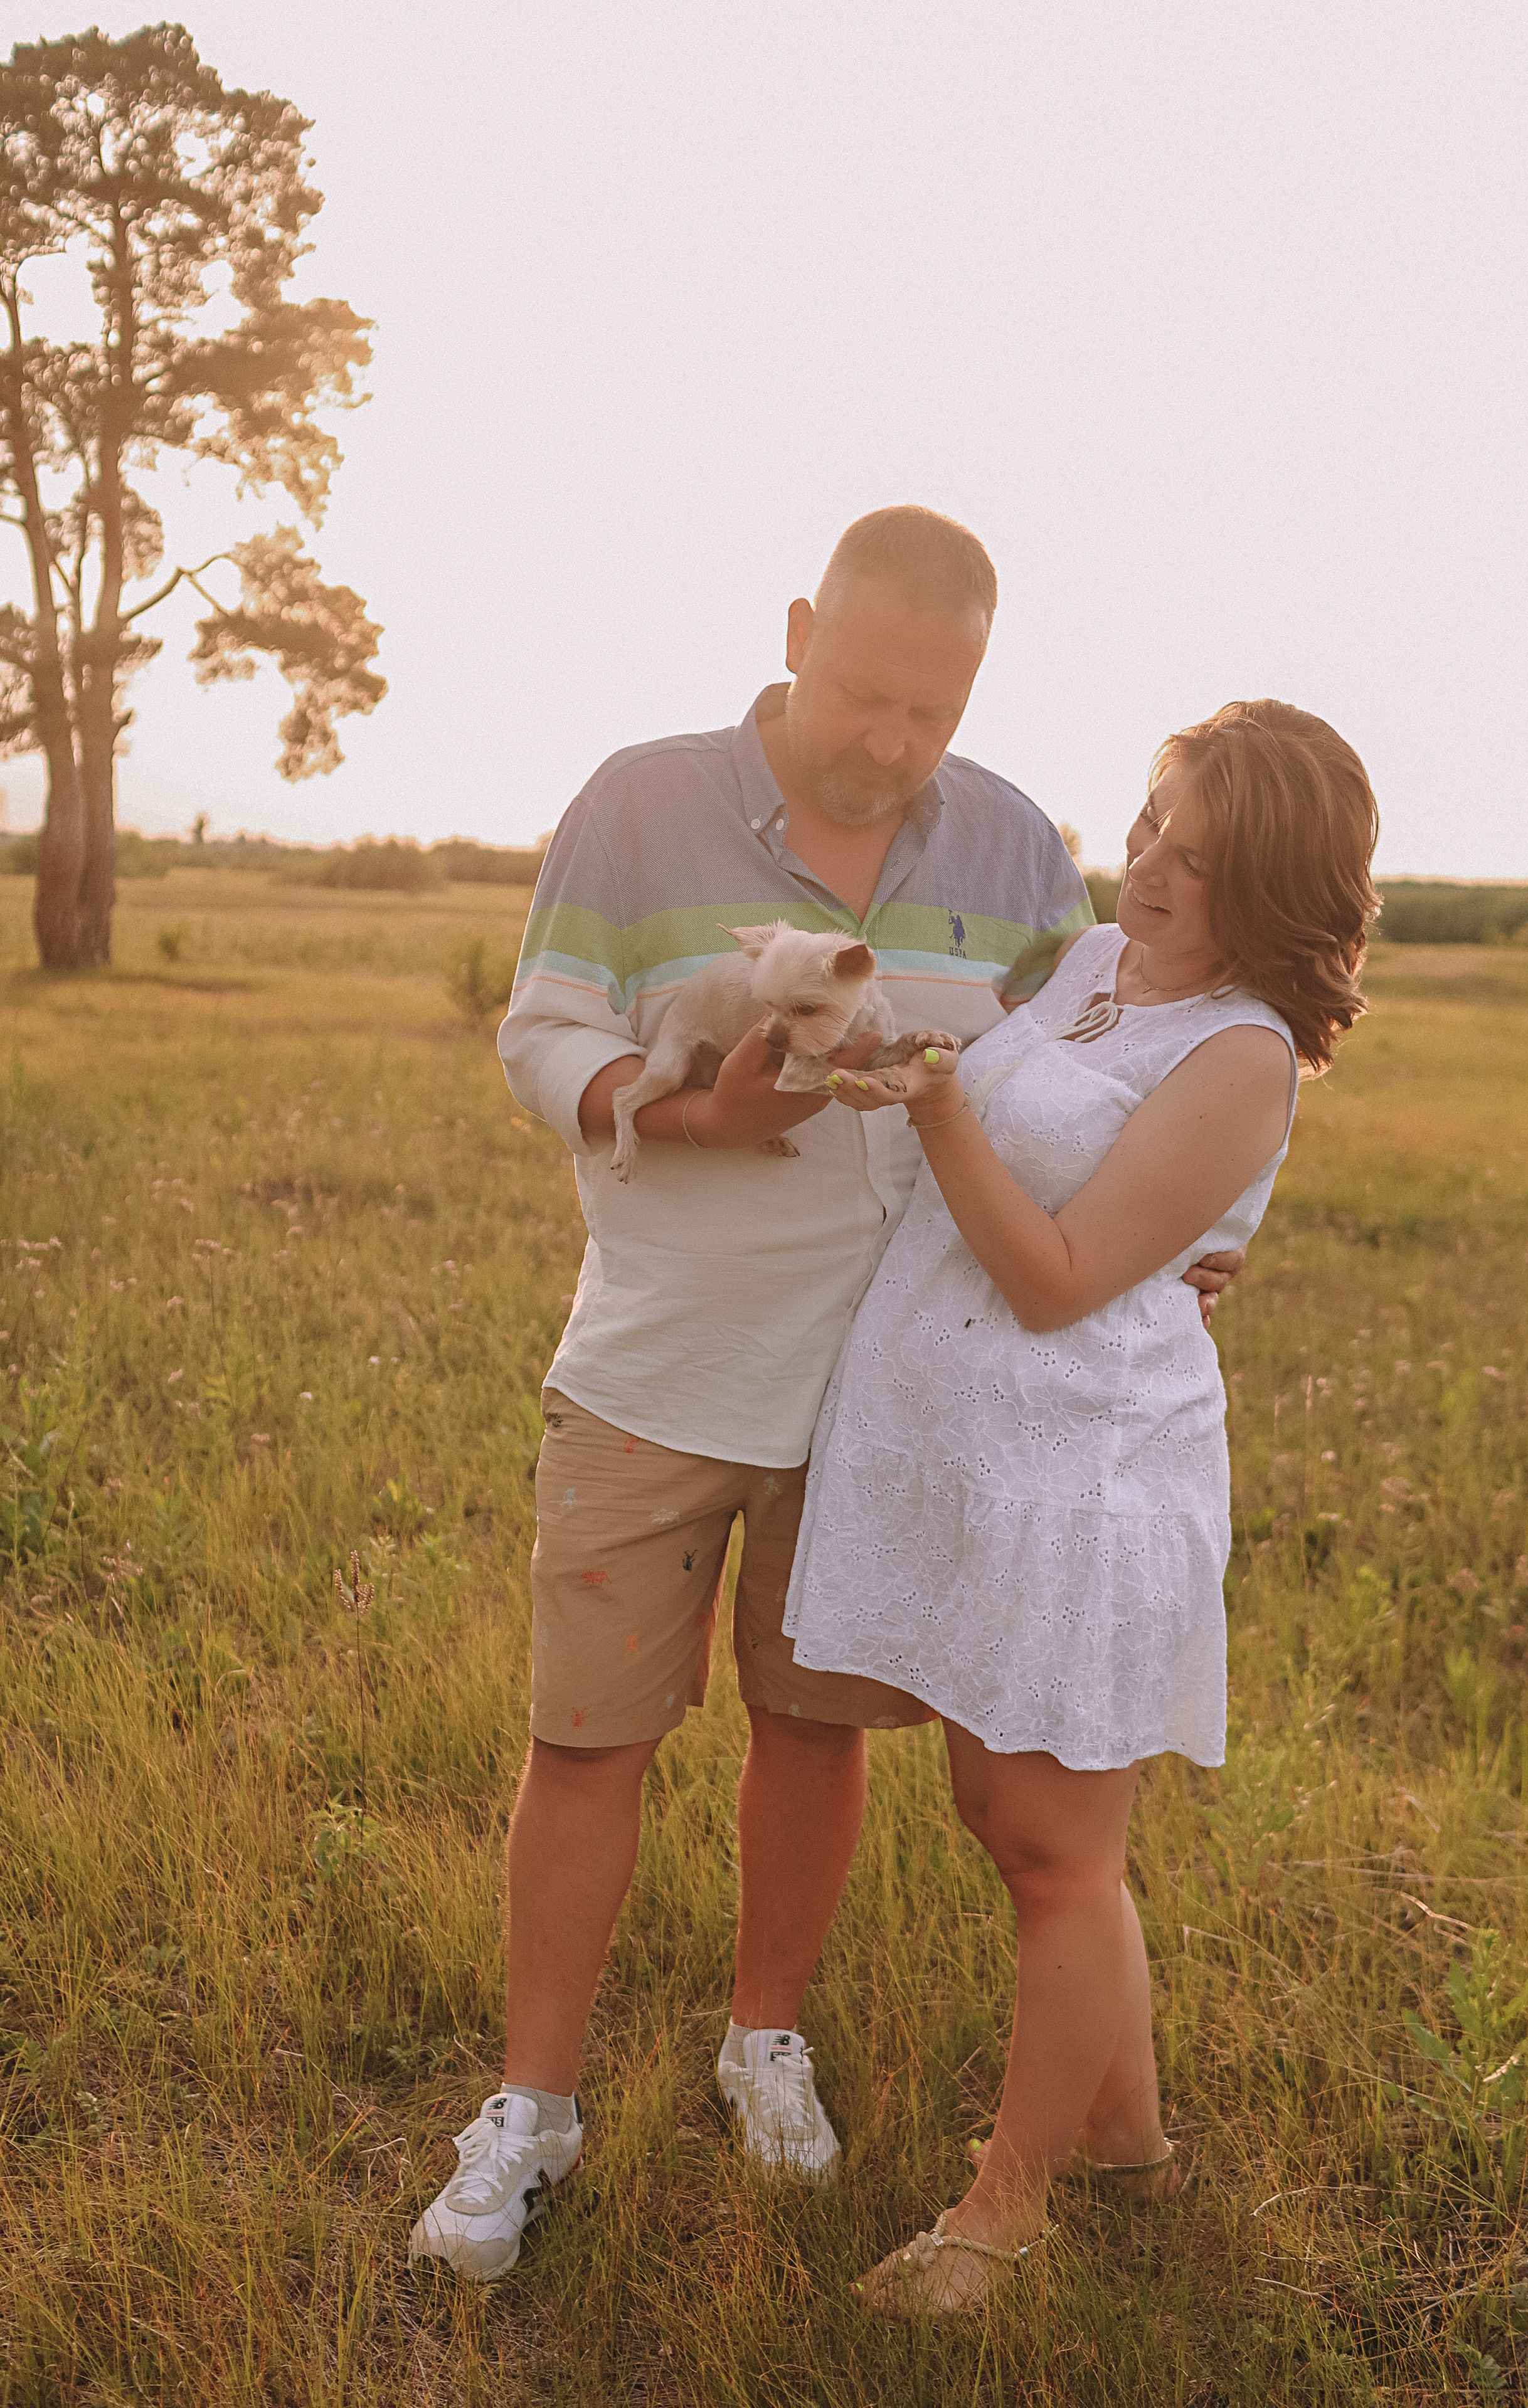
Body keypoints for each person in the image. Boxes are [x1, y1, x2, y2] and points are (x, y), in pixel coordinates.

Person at [408, 507, 1239, 2281]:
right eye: (864, 694)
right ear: (797, 630)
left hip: (892, 1389)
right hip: (660, 1363)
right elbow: (539, 1028)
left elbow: (1108, 1051)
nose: (894, 742)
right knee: (589, 1736)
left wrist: (1184, 1228)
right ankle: (532, 2110)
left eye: (932, 712)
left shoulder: (1019, 843)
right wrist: (687, 1112)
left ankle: (761, 2042)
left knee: (811, 1730)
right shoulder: (641, 799)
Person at [783, 698, 1380, 2313]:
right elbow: (1021, 1138)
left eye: (1199, 861)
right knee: (1009, 1821)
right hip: (980, 1460)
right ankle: (1126, 2137)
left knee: (1056, 1851)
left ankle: (1002, 2211)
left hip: (1087, 1477)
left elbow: (1053, 1279)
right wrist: (894, 1068)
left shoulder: (1239, 1055)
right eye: (1148, 833)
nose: (1151, 874)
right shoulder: (1085, 969)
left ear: (1278, 890)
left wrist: (938, 1106)